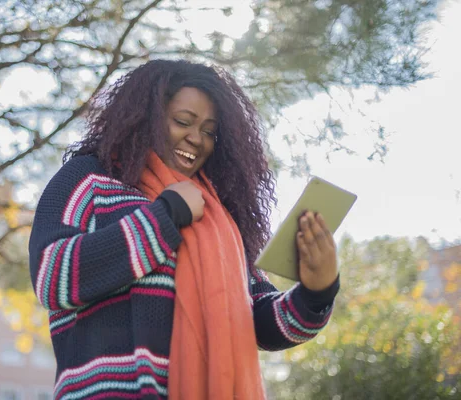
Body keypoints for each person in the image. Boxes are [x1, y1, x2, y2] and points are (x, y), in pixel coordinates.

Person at [29, 59, 340, 400]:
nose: (196, 139)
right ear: (145, 118)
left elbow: (258, 324)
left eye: (209, 131)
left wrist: (316, 293)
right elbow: (51, 276)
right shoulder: (89, 179)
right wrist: (165, 215)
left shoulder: (219, 218)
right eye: (182, 122)